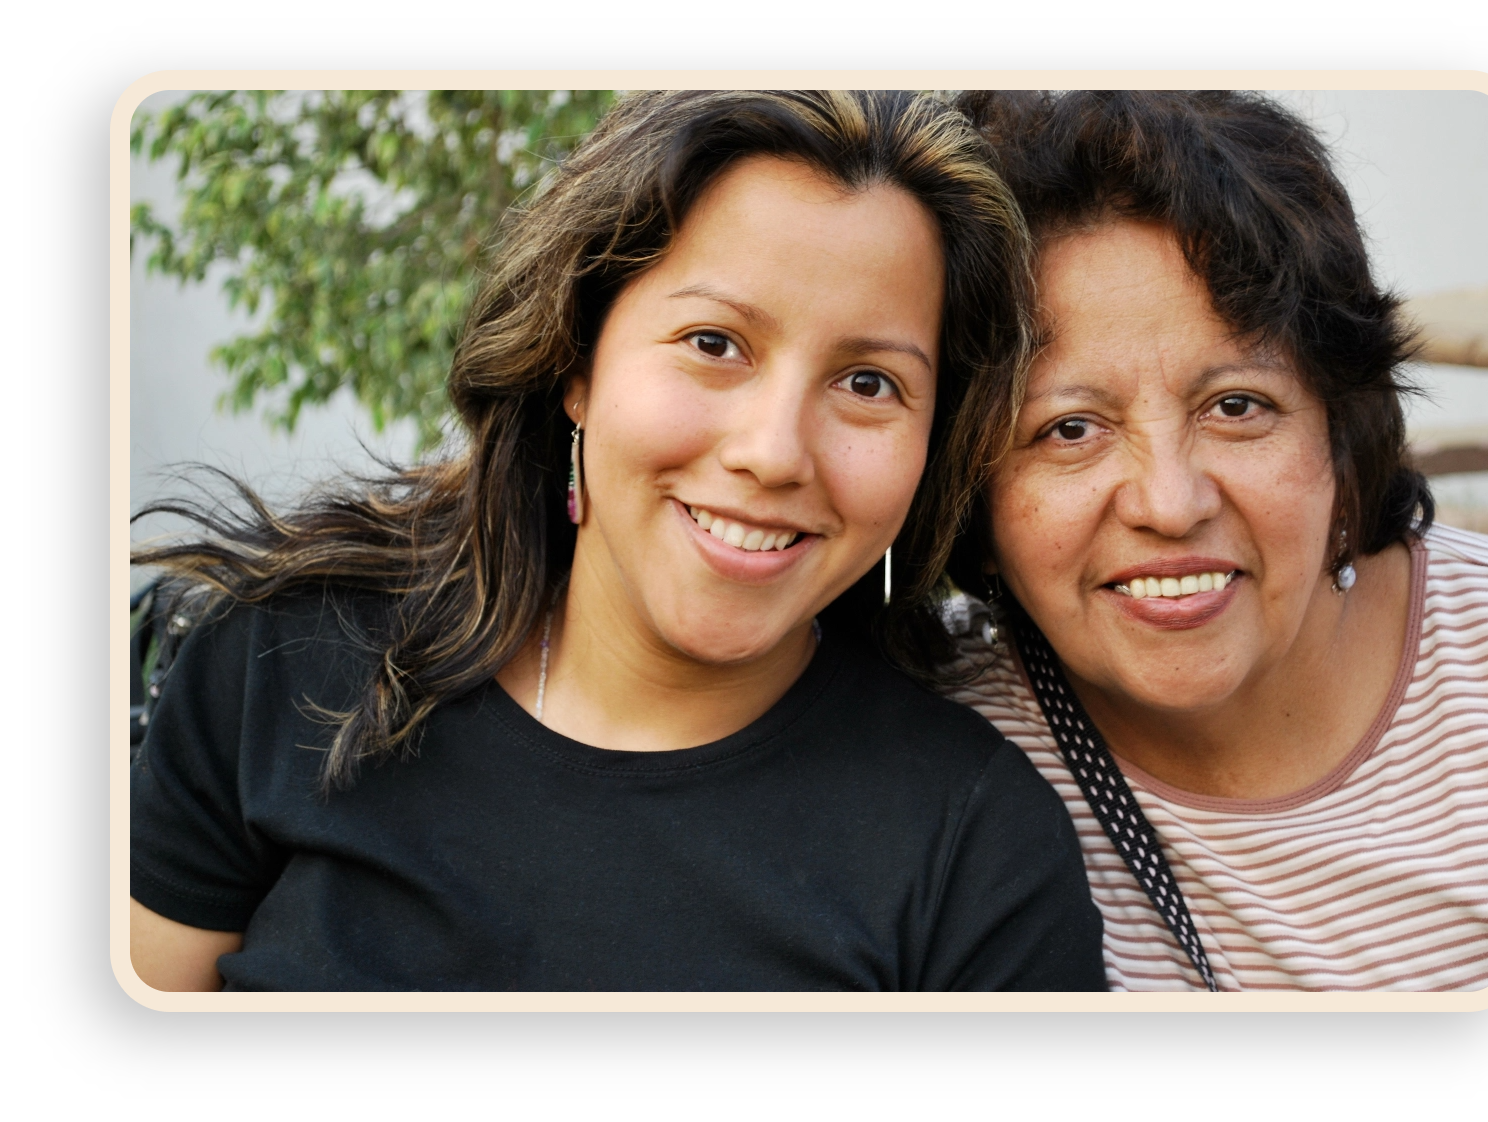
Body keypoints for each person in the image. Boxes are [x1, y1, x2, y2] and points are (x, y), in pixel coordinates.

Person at [129, 90, 1105, 992]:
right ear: (577, 363)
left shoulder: (975, 850)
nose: (772, 453)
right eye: (713, 344)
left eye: (867, 383)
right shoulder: (287, 662)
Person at [938, 91, 1488, 991]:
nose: (1169, 503)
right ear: (971, 486)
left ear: (1341, 427)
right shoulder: (931, 769)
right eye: (1070, 429)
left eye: (1237, 406)